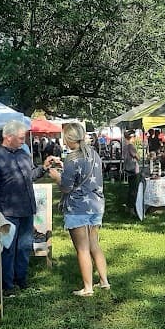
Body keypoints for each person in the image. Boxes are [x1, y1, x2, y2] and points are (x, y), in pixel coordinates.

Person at [0, 120, 54, 295]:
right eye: (21, 138)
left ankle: (21, 279)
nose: (23, 141)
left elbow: (30, 176)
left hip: (26, 209)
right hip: (7, 211)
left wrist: (43, 168)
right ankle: (7, 285)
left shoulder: (23, 154)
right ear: (8, 137)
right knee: (8, 249)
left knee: (24, 247)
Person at [47, 122, 109, 297]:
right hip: (96, 205)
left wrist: (56, 177)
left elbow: (66, 187)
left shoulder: (72, 159)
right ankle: (104, 281)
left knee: (82, 248)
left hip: (78, 207)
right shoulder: (93, 154)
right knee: (94, 244)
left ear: (69, 138)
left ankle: (88, 288)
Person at [121, 130, 139, 210]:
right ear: (131, 137)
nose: (135, 138)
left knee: (130, 188)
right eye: (134, 137)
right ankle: (132, 207)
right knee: (134, 189)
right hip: (133, 169)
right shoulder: (131, 146)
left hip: (128, 168)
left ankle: (128, 206)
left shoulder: (124, 146)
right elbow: (137, 156)